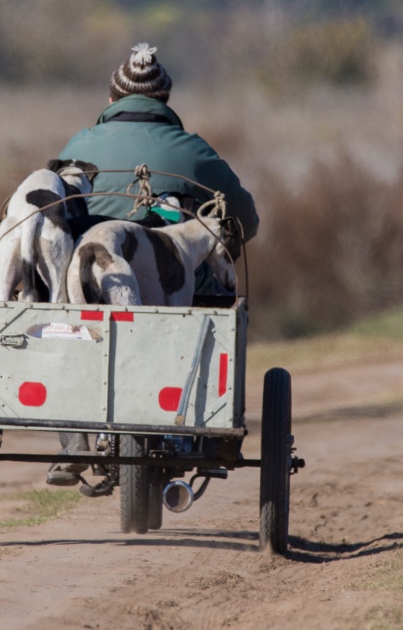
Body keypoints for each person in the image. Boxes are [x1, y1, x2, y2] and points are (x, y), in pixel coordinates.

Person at [45, 42, 259, 486]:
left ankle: (76, 439)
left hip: (85, 287)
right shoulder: (193, 150)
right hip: (171, 298)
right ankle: (199, 427)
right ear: (164, 99)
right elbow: (246, 221)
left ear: (112, 99)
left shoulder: (79, 144)